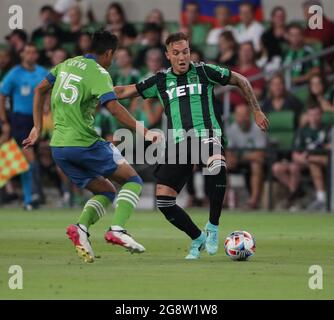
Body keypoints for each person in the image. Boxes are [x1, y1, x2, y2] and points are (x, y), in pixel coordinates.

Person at [114, 32, 269, 259]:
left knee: (217, 166)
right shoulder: (160, 80)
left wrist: (255, 109)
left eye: (185, 51)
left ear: (190, 51)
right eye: (176, 53)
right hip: (179, 143)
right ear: (168, 55)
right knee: (164, 201)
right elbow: (124, 91)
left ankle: (213, 227)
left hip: (207, 134)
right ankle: (198, 238)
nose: (181, 57)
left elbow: (241, 80)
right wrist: (97, 93)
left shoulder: (205, 71)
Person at [23, 30, 161, 263]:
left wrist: (37, 127)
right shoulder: (100, 72)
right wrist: (144, 130)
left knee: (106, 191)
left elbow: (39, 90)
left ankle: (81, 229)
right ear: (109, 53)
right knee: (132, 180)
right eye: (113, 56)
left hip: (59, 148)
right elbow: (114, 107)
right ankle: (117, 229)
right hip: (84, 143)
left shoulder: (67, 64)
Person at [0, 43, 48, 210]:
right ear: (22, 55)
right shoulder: (14, 74)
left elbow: (49, 92)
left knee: (36, 157)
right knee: (28, 157)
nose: (31, 55)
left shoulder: (42, 72)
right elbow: (2, 94)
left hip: (39, 119)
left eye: (34, 52)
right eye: (28, 52)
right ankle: (33, 195)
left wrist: (48, 106)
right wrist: (4, 120)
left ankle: (31, 197)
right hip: (20, 120)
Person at [226, 104, 267, 209]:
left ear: (249, 116)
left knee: (256, 164)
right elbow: (229, 151)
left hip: (255, 162)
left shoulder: (257, 128)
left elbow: (260, 154)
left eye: (244, 116)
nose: (242, 119)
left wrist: (239, 156)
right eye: (239, 116)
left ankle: (253, 201)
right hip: (240, 160)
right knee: (222, 164)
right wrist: (231, 158)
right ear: (235, 117)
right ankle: (223, 200)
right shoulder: (232, 129)